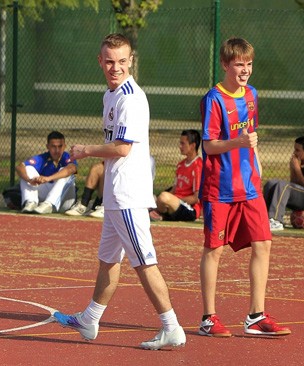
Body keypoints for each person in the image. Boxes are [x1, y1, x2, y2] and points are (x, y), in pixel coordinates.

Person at [52, 33, 185, 350]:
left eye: (122, 61)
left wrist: (85, 150)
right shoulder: (109, 94)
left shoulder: (130, 98)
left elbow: (123, 148)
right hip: (114, 196)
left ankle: (172, 327)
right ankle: (90, 318)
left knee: (143, 262)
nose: (116, 67)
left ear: (131, 61)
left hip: (129, 196)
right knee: (108, 261)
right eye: (109, 61)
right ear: (100, 61)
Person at [198, 37, 291, 337]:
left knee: (263, 244)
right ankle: (208, 318)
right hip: (219, 188)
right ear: (226, 64)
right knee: (214, 250)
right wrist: (237, 142)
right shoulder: (213, 99)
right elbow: (209, 146)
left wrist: (257, 161)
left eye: (249, 64)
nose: (245, 70)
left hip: (249, 185)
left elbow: (250, 132)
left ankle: (255, 316)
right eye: (239, 64)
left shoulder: (252, 94)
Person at [264, 136, 304, 231]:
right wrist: (293, 168)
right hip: (299, 196)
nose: (294, 153)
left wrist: (297, 168)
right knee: (272, 183)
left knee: (283, 185)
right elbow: (293, 184)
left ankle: (276, 220)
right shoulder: (297, 162)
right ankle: (264, 218)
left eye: (297, 150)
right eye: (294, 149)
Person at [15, 131, 77, 214]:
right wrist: (29, 180)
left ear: (65, 146)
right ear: (47, 146)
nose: (57, 150)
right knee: (28, 168)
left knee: (67, 173)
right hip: (43, 201)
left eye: (60, 146)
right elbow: (19, 167)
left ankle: (49, 204)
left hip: (64, 201)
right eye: (53, 147)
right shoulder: (43, 158)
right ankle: (30, 202)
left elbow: (71, 169)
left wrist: (48, 178)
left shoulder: (68, 157)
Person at [150, 129, 203, 222]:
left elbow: (196, 198)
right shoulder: (180, 165)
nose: (180, 146)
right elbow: (174, 189)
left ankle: (159, 213)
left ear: (193, 145)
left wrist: (174, 200)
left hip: (189, 209)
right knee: (152, 197)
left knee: (164, 197)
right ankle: (160, 213)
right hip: (175, 203)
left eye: (183, 144)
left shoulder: (198, 166)